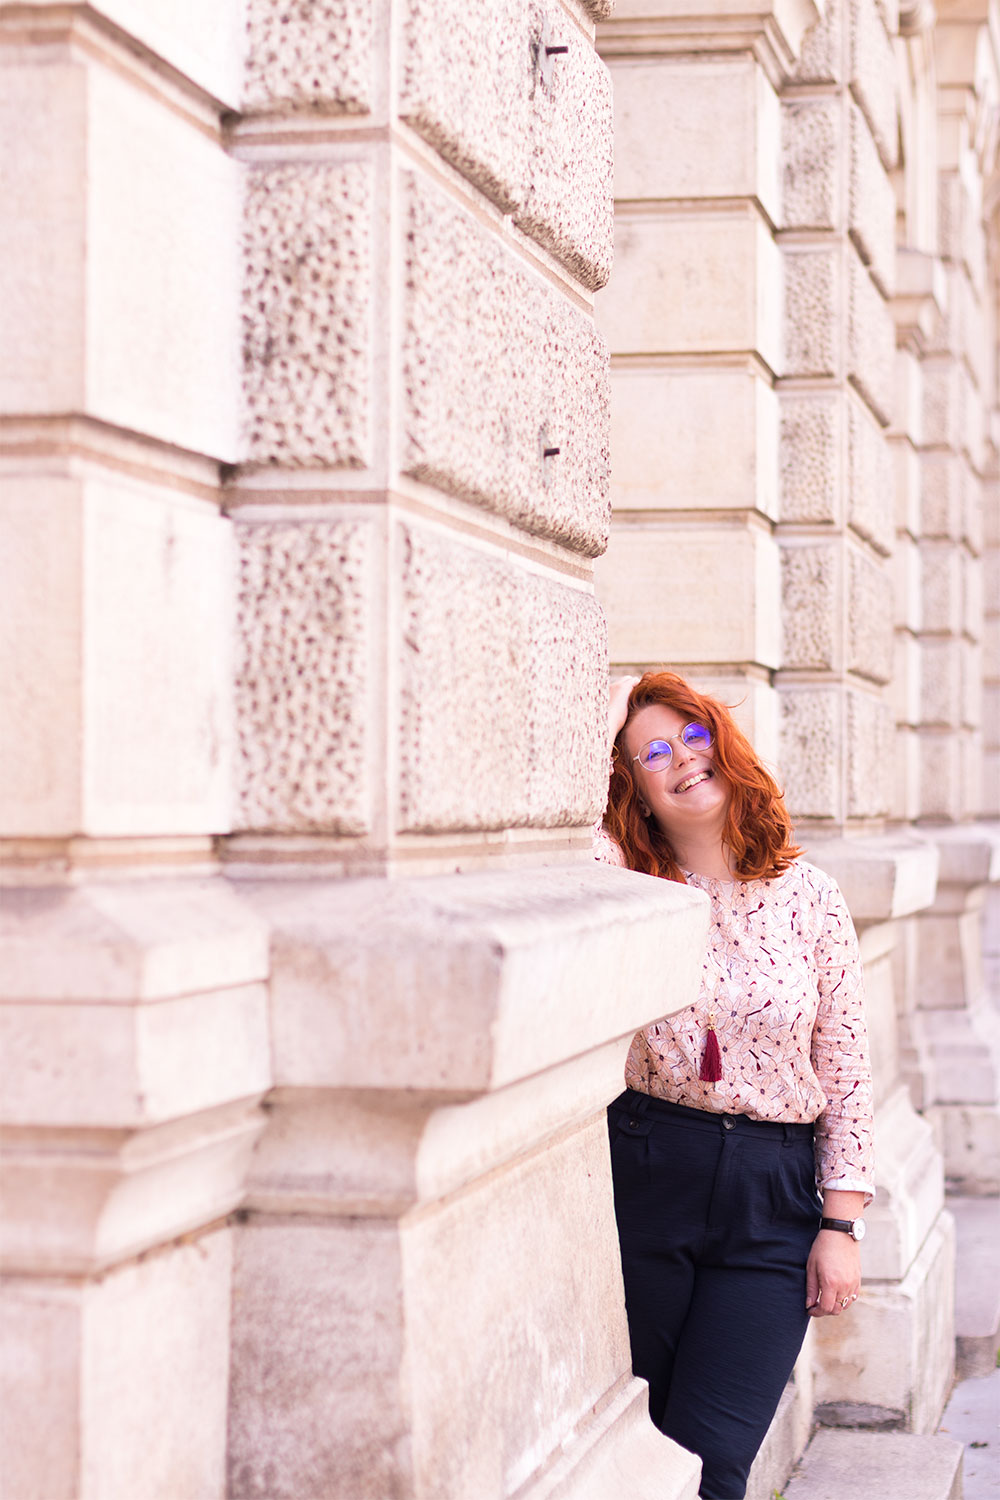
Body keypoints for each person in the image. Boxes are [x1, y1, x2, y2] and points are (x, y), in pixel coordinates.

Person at [596, 671, 874, 1500]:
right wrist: (613, 712)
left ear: (723, 744)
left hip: (773, 1198)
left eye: (692, 734)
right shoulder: (628, 884)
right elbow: (563, 831)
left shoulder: (811, 898)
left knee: (714, 1459)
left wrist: (842, 1224)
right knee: (637, 1449)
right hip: (648, 1177)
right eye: (652, 753)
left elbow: (848, 1068)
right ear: (635, 791)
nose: (681, 759)